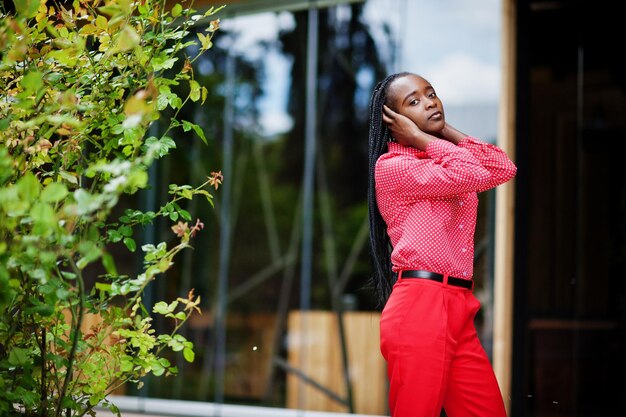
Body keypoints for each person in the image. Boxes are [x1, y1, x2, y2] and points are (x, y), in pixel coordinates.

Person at [367, 72, 517, 417]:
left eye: (430, 94)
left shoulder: (442, 158)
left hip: (459, 307)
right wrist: (423, 138)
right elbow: (474, 175)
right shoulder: (394, 167)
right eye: (414, 102)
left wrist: (440, 130)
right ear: (395, 121)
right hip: (421, 306)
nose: (430, 102)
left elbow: (502, 166)